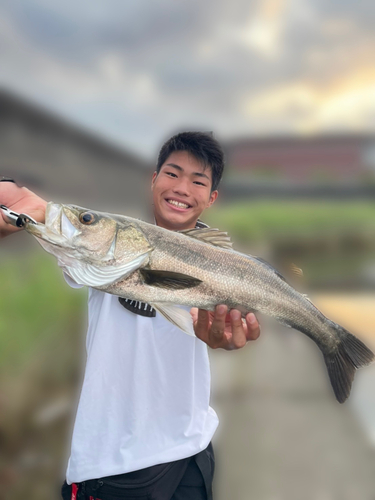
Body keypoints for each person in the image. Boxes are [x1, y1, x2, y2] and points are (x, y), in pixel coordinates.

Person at [0, 131, 260, 500]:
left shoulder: (220, 262)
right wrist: (18, 205)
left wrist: (226, 339)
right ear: (153, 180)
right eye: (172, 173)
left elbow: (226, 332)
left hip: (191, 450)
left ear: (211, 197)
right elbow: (31, 209)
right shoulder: (103, 243)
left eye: (197, 180)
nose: (182, 187)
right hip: (110, 462)